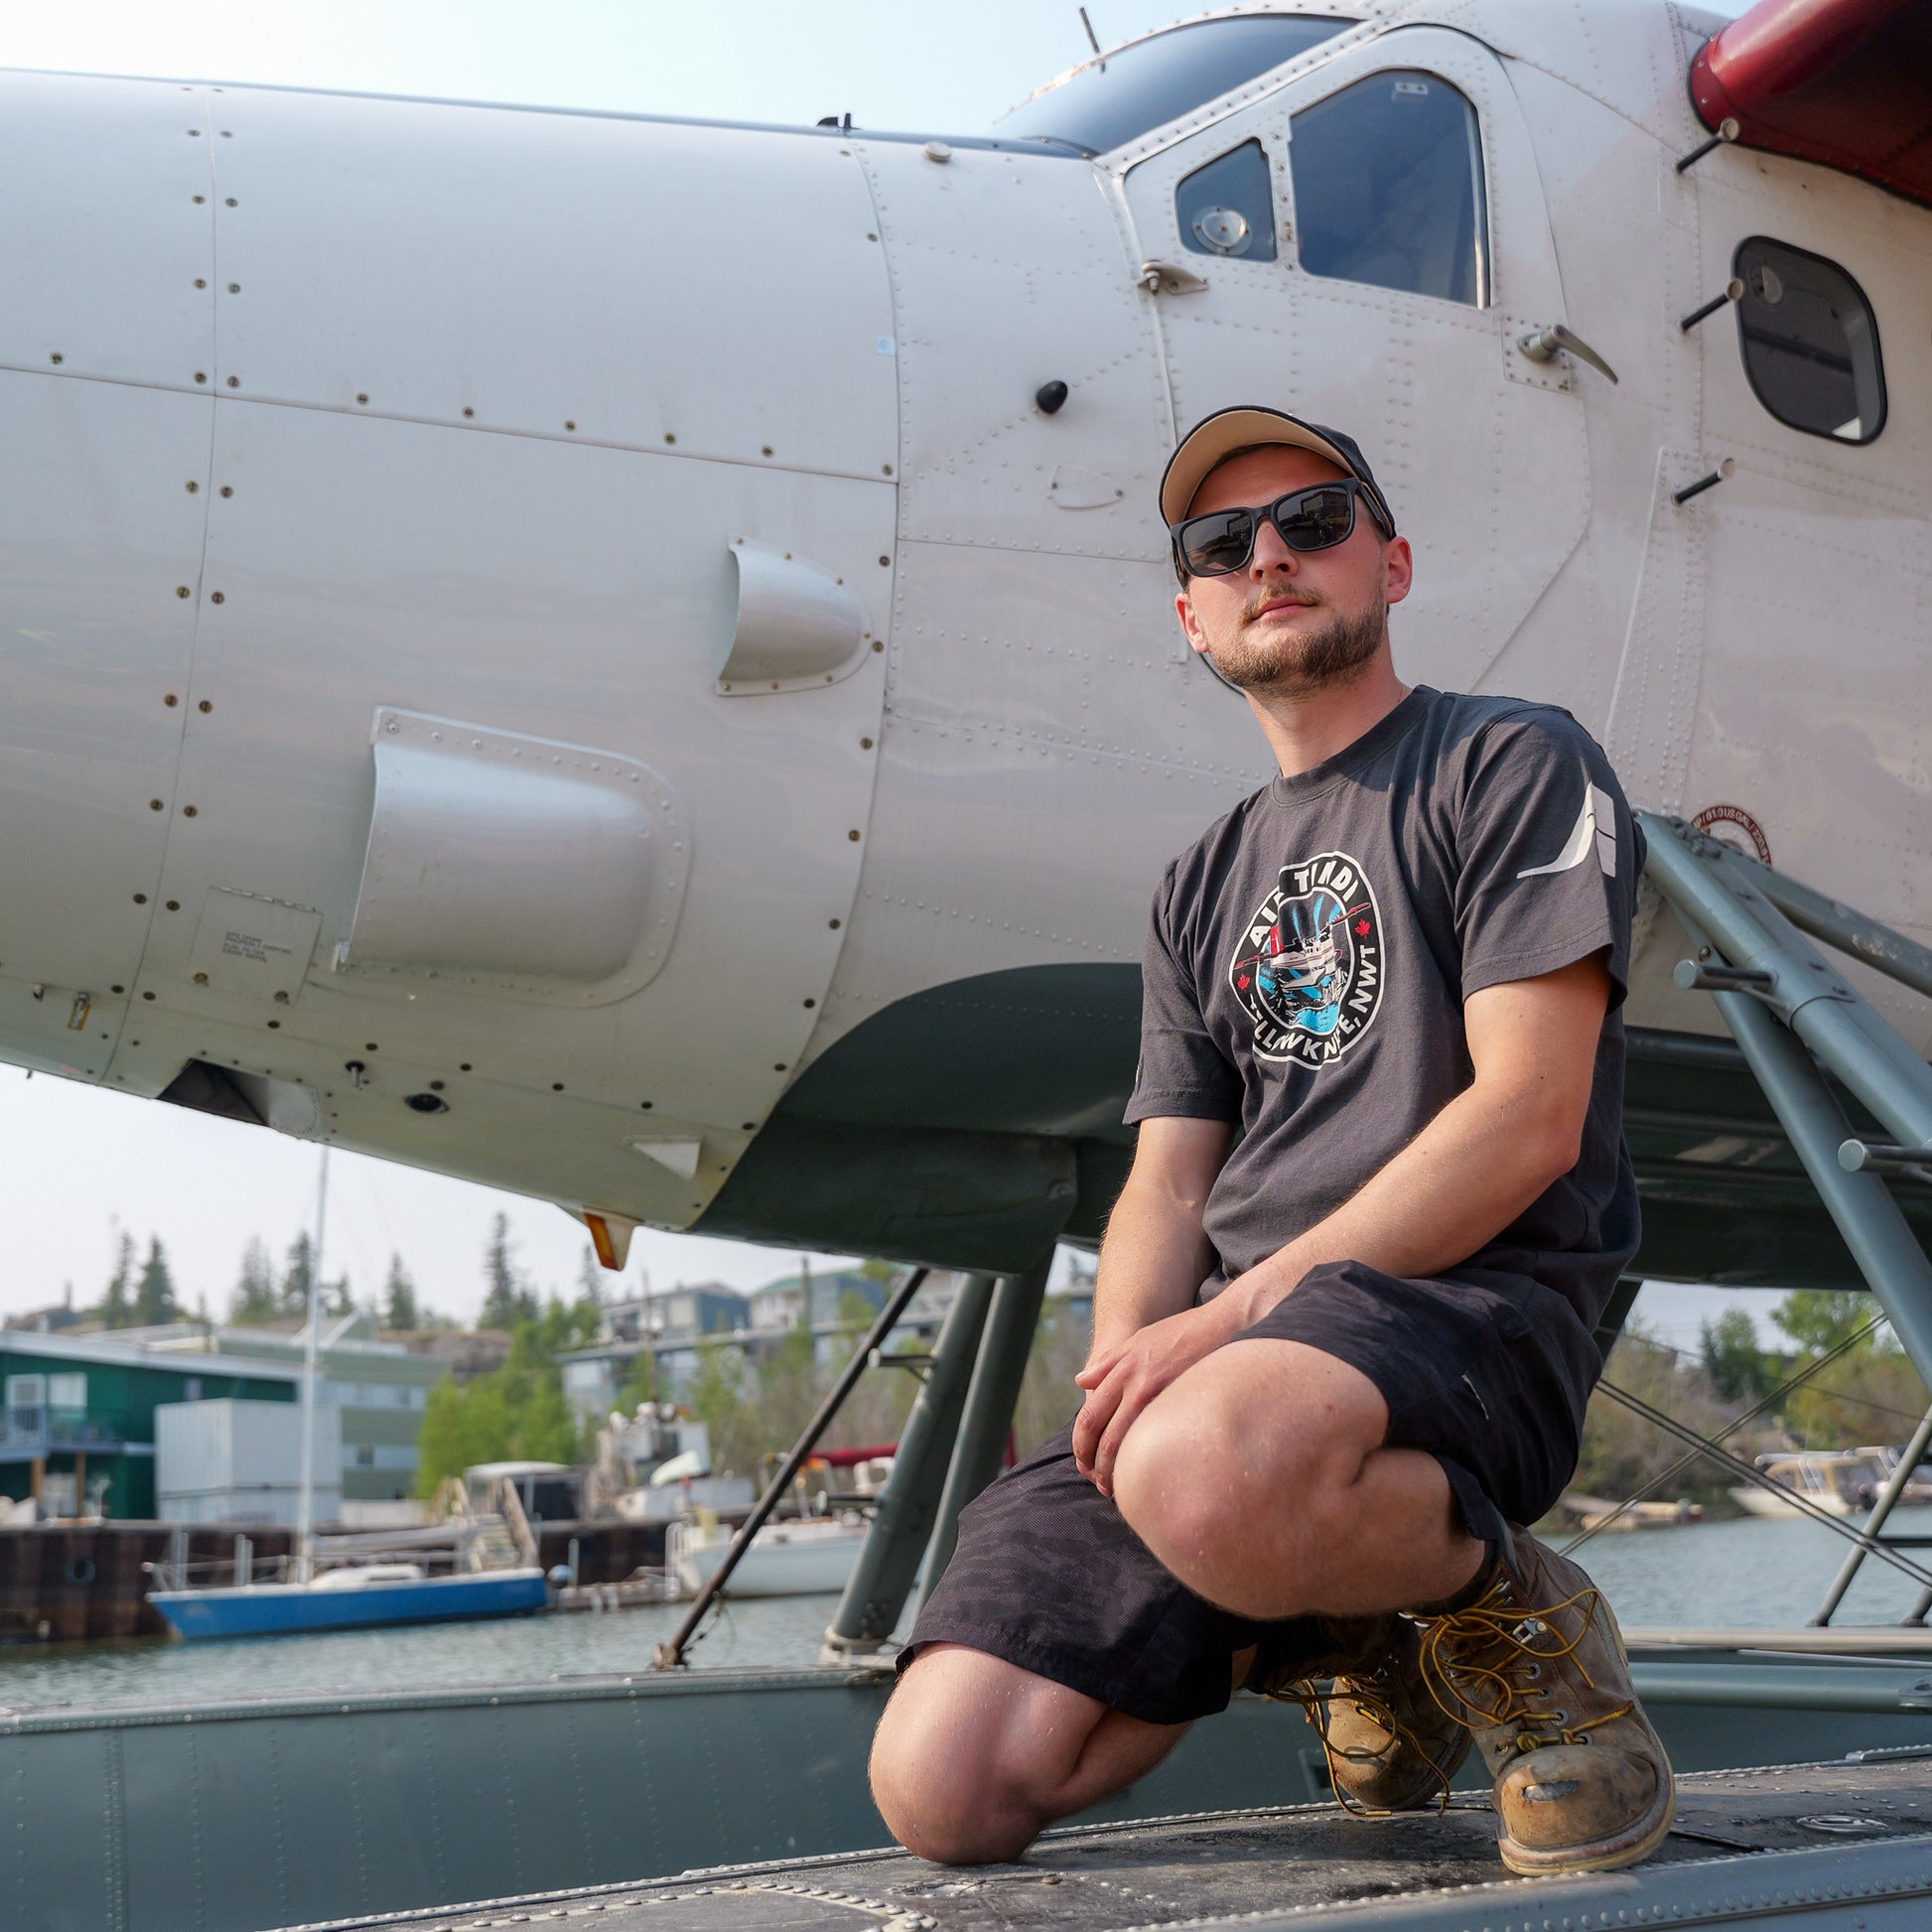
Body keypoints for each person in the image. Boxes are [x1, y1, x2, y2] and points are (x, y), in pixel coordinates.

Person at [868, 406, 1674, 1878]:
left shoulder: (1512, 762)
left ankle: (1512, 1607)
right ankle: (1351, 1619)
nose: (1269, 558)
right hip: (1235, 1381)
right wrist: (1124, 1375)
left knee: (1207, 1462)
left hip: (1465, 1308)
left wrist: (1228, 1324)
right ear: (1190, 613)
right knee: (945, 1788)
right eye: (1221, 544)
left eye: (1312, 520)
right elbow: (1168, 1175)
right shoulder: (1196, 881)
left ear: (1391, 558)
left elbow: (1527, 1116)